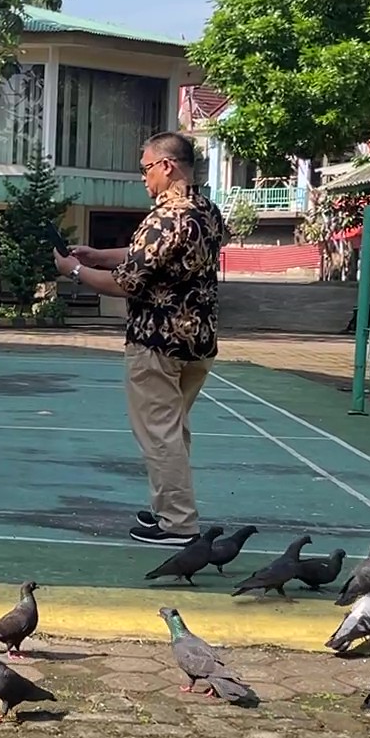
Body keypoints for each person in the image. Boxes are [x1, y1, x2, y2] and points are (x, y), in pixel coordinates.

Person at [53, 131, 225, 547]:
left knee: (159, 434)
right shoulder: (207, 211)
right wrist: (96, 255)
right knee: (174, 430)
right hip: (197, 341)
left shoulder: (164, 216)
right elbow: (147, 258)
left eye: (147, 168)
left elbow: (126, 282)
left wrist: (73, 271)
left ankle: (177, 523)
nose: (143, 178)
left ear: (167, 166)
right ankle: (168, 508)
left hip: (157, 342)